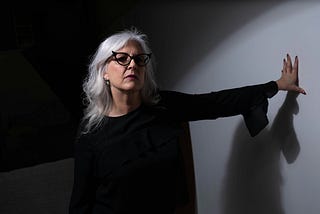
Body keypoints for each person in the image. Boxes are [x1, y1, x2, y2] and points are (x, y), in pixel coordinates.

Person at [69, 27, 306, 214]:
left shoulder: (163, 106)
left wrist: (276, 85)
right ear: (104, 72)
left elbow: (217, 102)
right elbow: (81, 203)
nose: (132, 64)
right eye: (121, 58)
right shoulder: (91, 132)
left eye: (139, 59)